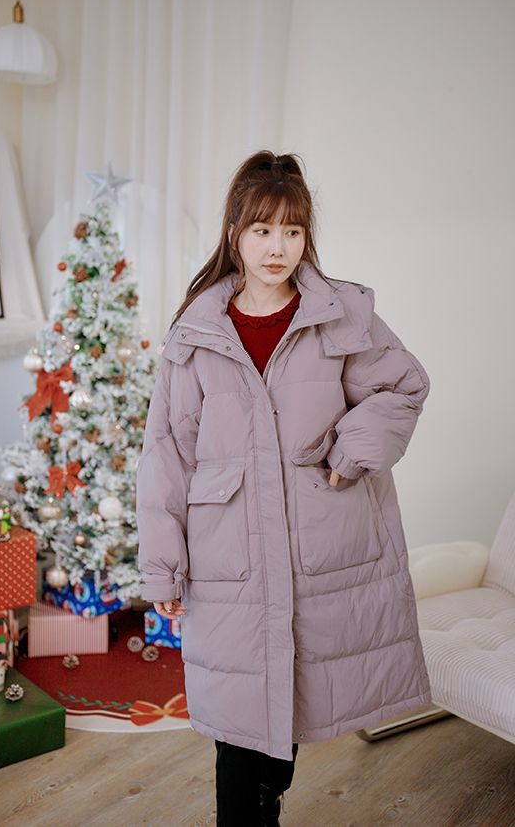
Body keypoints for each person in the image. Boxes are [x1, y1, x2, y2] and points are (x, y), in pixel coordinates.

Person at [135, 150, 432, 826]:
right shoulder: (197, 333)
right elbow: (166, 455)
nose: (278, 248)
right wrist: (163, 567)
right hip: (229, 560)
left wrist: (350, 453)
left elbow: (404, 386)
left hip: (317, 551)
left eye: (293, 231)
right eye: (263, 230)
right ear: (234, 233)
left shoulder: (340, 316)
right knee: (240, 735)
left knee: (282, 726)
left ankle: (268, 798)